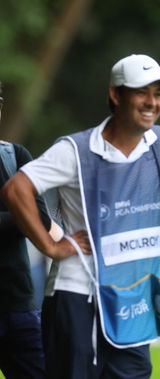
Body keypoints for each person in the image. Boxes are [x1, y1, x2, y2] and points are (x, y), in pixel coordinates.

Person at [1, 54, 160, 379]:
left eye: (158, 94)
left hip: (130, 296)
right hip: (76, 296)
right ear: (116, 95)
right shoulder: (74, 150)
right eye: (142, 92)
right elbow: (16, 190)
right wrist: (51, 247)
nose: (152, 102)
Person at [0, 82, 51, 378]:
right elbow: (29, 220)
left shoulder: (15, 155)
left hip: (20, 308)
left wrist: (24, 221)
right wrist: (18, 219)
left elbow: (41, 223)